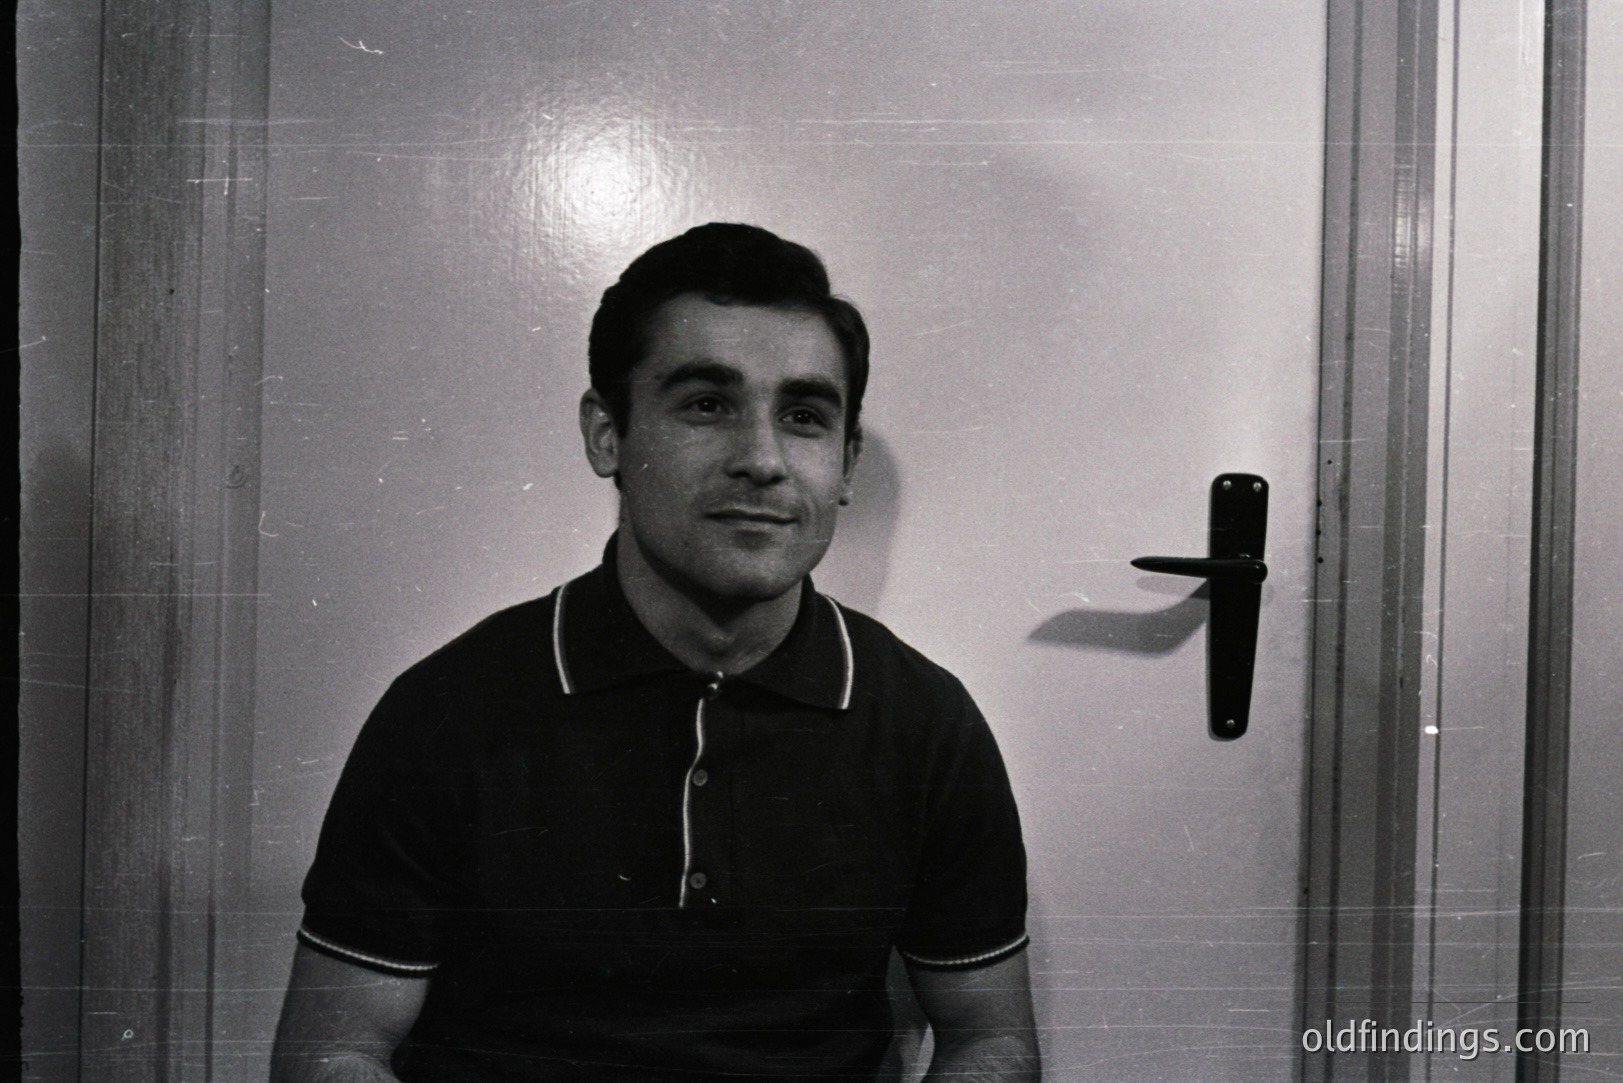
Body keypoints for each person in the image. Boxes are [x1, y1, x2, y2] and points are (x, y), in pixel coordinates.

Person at [271, 223, 1039, 1082]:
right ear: (608, 434)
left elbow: (990, 1040)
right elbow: (332, 1049)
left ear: (847, 462)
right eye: (706, 404)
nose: (761, 459)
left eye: (804, 416)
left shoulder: (925, 722)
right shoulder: (447, 710)